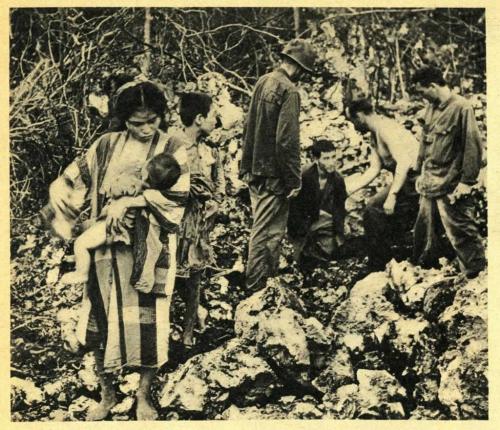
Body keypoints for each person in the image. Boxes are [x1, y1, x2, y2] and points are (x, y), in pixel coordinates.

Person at [48, 80, 189, 421]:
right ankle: (107, 394)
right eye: (136, 122)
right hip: (105, 248)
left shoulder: (173, 145)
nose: (144, 128)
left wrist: (129, 202)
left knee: (148, 322)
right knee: (100, 318)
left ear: (161, 116)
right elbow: (75, 178)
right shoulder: (106, 145)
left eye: (151, 120)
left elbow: (179, 196)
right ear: (122, 118)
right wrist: (60, 201)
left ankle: (143, 397)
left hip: (148, 250)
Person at [240, 38, 316, 292]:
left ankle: (265, 287)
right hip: (273, 177)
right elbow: (287, 141)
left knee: (269, 232)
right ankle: (255, 288)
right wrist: (294, 180)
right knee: (265, 234)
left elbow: (248, 126)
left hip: (255, 170)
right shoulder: (289, 91)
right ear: (300, 68)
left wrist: (246, 165)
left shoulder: (264, 81)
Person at [59, 152, 181, 293]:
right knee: (84, 229)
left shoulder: (133, 185)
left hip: (113, 227)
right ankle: (81, 257)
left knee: (80, 243)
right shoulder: (151, 192)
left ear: (146, 173)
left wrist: (122, 177)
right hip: (121, 226)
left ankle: (81, 272)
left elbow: (113, 190)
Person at [410, 66, 486, 278]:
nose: (421, 97)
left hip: (451, 184)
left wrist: (466, 182)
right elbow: (425, 142)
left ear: (432, 86)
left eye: (421, 91)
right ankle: (426, 273)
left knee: (461, 233)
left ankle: (476, 277)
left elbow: (473, 146)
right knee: (424, 231)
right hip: (430, 182)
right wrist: (419, 171)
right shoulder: (431, 108)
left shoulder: (462, 108)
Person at [173, 92, 225, 350]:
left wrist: (214, 197)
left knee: (195, 278)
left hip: (198, 225)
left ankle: (188, 333)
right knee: (171, 278)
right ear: (199, 118)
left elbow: (216, 183)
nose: (217, 121)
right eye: (213, 115)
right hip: (176, 223)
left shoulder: (209, 150)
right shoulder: (175, 147)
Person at [347, 98, 421, 269]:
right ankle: (382, 261)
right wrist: (348, 190)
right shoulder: (374, 134)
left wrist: (392, 196)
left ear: (359, 116)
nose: (354, 126)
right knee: (373, 207)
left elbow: (403, 162)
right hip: (404, 181)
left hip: (417, 180)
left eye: (353, 121)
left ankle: (380, 263)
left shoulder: (386, 129)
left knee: (374, 210)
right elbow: (374, 169)